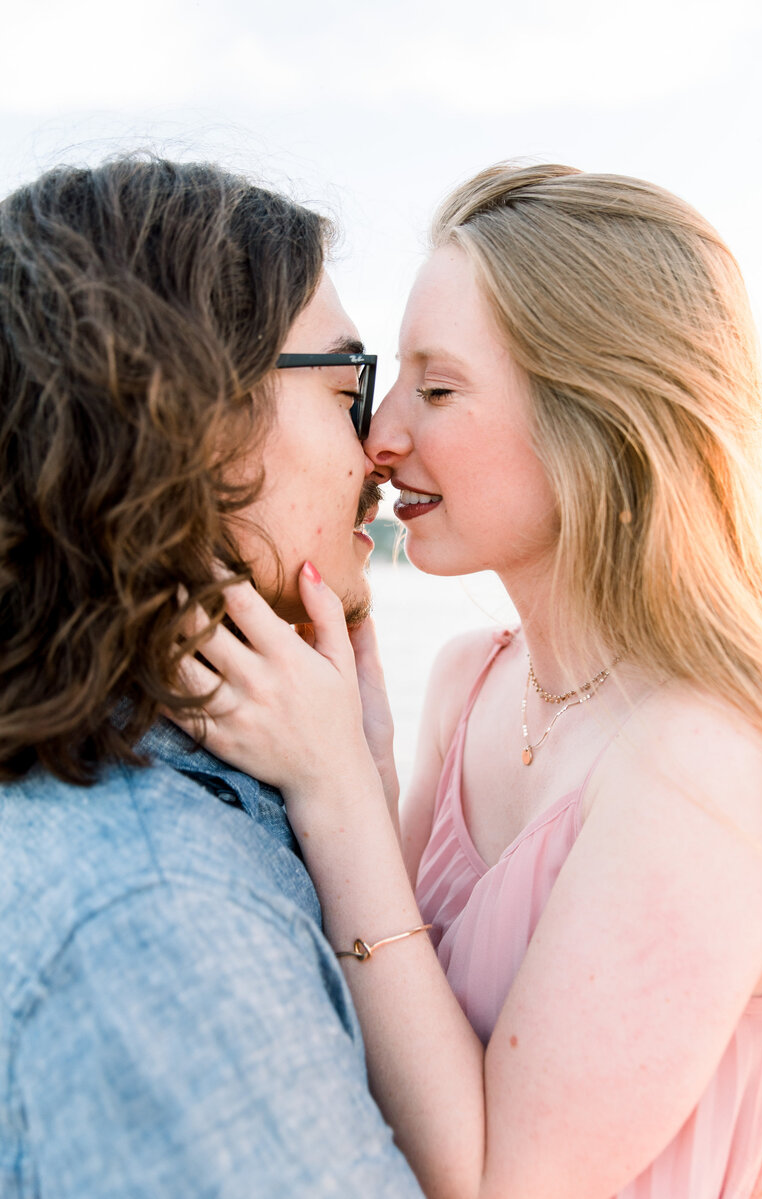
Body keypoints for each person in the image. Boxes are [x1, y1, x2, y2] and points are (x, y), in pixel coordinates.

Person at [180, 163, 762, 1198]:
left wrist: (335, 786)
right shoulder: (470, 681)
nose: (379, 440)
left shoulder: (707, 758)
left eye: (435, 388)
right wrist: (370, 772)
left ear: (593, 420)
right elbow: (389, 1016)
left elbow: (496, 1181)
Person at [0, 156, 423, 1197]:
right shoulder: (161, 920)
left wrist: (357, 797)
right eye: (345, 385)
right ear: (189, 420)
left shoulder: (141, 808)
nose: (380, 447)